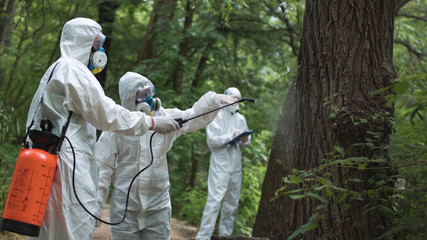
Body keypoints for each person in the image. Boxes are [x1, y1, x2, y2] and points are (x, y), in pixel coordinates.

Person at [24, 18, 180, 240]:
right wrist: (152, 123)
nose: (100, 51)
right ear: (83, 42)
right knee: (70, 226)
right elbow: (107, 114)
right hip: (66, 166)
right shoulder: (73, 70)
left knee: (50, 228)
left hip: (51, 160)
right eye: (97, 44)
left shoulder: (57, 68)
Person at [94, 72, 237, 240]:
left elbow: (192, 116)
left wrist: (213, 101)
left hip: (158, 205)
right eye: (142, 94)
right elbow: (102, 168)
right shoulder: (117, 128)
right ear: (129, 98)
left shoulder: (165, 119)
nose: (148, 98)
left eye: (149, 92)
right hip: (125, 206)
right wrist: (96, 205)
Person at [195, 87, 251, 240]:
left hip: (235, 162)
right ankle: (204, 236)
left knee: (232, 201)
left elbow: (245, 143)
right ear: (226, 98)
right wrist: (230, 136)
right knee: (215, 199)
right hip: (220, 162)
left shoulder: (241, 119)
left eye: (237, 98)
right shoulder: (216, 116)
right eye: (233, 98)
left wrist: (245, 139)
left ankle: (225, 235)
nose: (235, 101)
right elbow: (212, 142)